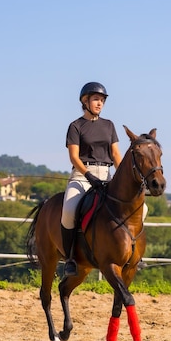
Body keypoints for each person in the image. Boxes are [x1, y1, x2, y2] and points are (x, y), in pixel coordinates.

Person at [61, 82, 122, 276]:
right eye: (96, 99)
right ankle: (70, 258)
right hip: (82, 176)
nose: (100, 103)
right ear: (85, 101)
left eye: (102, 100)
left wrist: (122, 176)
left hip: (106, 177)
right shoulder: (76, 126)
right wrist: (88, 175)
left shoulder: (109, 125)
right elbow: (74, 157)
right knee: (69, 211)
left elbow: (115, 154)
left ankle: (131, 252)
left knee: (140, 209)